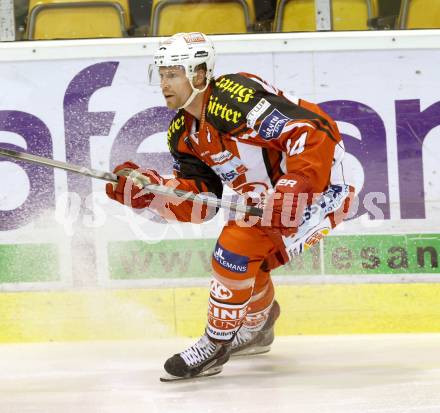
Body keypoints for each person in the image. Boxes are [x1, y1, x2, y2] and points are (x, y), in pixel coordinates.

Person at [106, 32, 356, 381]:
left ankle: (215, 344)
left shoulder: (233, 100)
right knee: (250, 258)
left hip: (323, 185)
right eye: (161, 74)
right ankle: (258, 324)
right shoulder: (182, 130)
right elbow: (201, 200)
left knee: (235, 249)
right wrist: (150, 192)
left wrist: (292, 189)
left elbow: (311, 133)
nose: (165, 83)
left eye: (173, 74)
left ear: (199, 74)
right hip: (269, 197)